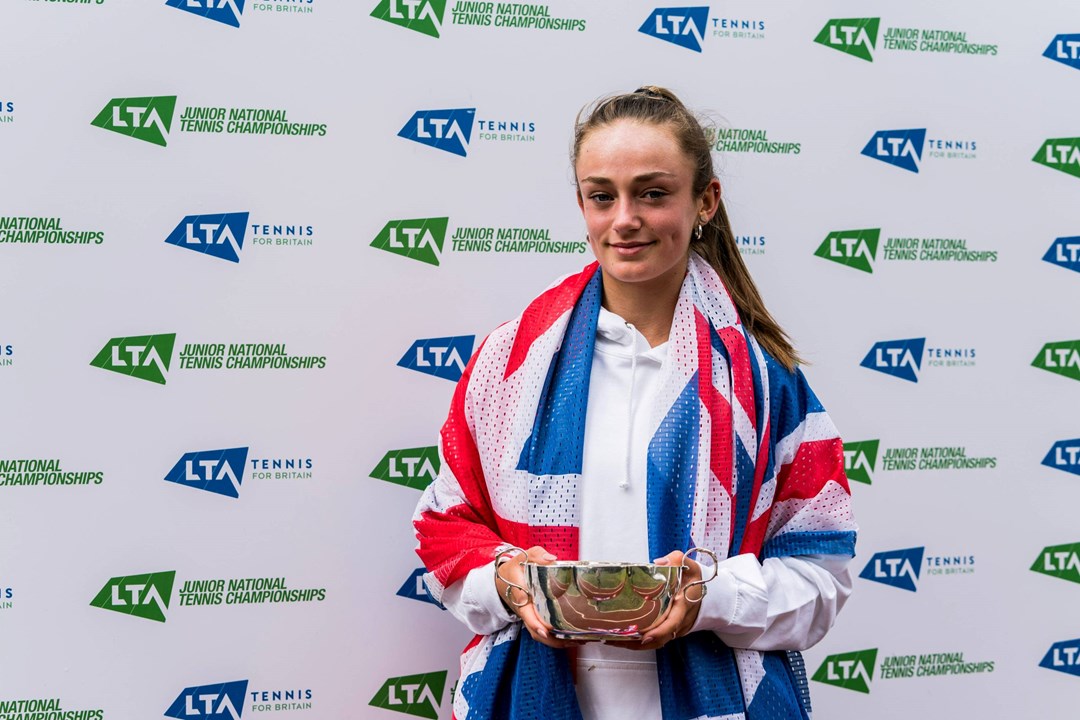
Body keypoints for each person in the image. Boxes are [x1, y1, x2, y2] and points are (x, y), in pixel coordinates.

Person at [412, 86, 857, 720]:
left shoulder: (767, 382)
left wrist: (709, 597)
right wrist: (509, 581)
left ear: (706, 200)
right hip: (536, 697)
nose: (625, 218)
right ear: (582, 204)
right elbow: (444, 531)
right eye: (603, 196)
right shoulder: (507, 366)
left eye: (652, 193)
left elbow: (822, 577)